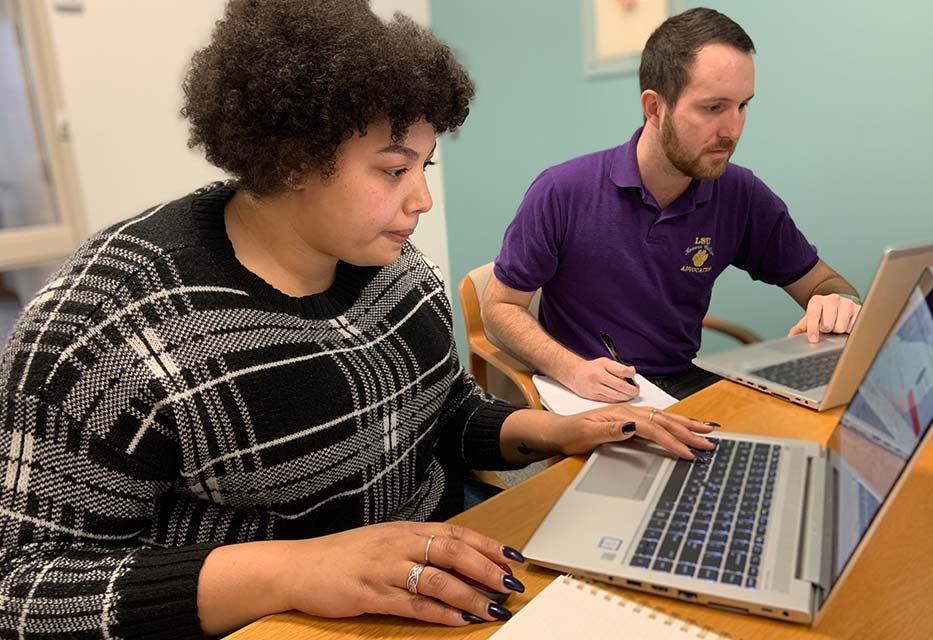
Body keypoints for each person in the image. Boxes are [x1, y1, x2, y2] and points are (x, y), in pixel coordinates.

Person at [0, 1, 720, 637]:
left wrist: (553, 431)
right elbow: (21, 589)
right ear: (291, 159)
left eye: (425, 170)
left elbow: (436, 413)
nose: (421, 203)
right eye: (391, 170)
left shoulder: (388, 264)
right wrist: (294, 570)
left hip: (443, 569)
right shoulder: (104, 327)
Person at [483, 7, 862, 403]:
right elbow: (499, 308)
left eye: (742, 106)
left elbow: (826, 283)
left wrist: (839, 303)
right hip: (586, 397)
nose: (732, 130)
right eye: (713, 108)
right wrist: (570, 368)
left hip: (682, 388)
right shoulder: (562, 191)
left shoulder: (740, 193)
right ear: (654, 107)